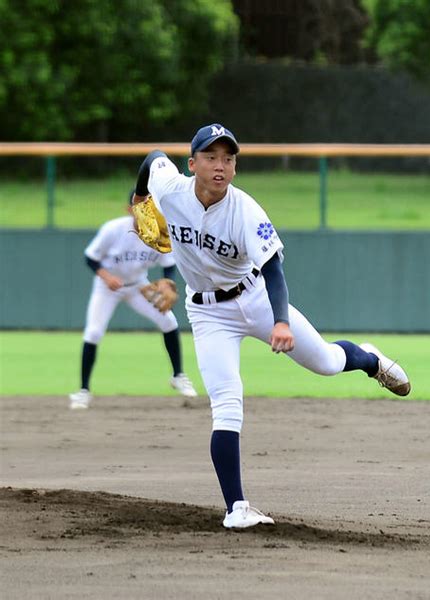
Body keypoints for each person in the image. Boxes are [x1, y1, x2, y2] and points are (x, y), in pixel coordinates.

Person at [131, 123, 411, 529]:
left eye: (228, 159)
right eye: (211, 157)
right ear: (192, 164)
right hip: (207, 313)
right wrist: (139, 197)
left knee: (328, 364)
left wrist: (280, 321)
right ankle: (237, 508)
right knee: (227, 401)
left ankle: (370, 359)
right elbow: (152, 157)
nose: (221, 166)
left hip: (257, 299)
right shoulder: (170, 188)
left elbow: (274, 271)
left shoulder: (245, 210)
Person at [69, 191, 197, 409]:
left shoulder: (159, 232)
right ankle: (83, 391)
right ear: (130, 210)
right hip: (107, 287)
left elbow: (168, 264)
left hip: (139, 285)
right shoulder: (113, 230)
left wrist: (167, 283)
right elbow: (90, 257)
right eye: (140, 206)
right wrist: (107, 277)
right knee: (93, 332)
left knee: (169, 322)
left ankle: (178, 375)